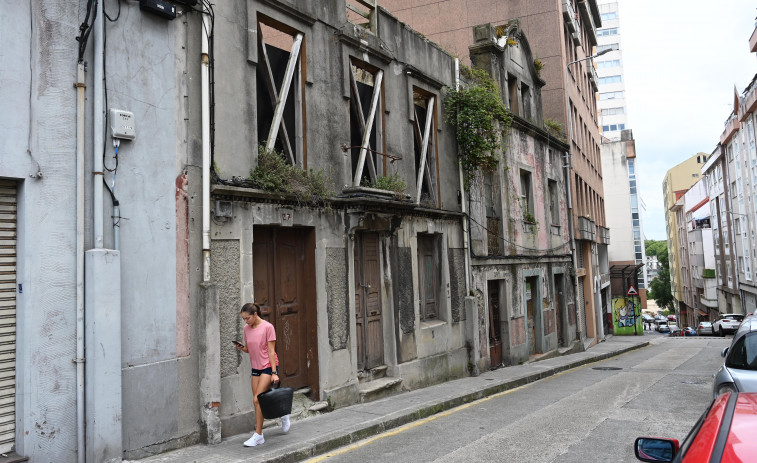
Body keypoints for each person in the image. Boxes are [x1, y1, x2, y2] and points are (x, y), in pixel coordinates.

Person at [235, 302, 290, 447]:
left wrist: (274, 372)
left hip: (267, 365)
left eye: (247, 318)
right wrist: (242, 348)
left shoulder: (268, 327)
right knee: (259, 401)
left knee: (257, 399)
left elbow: (271, 351)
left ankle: (258, 435)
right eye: (243, 319)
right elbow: (249, 349)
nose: (245, 321)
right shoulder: (247, 329)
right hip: (256, 367)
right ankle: (283, 413)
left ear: (255, 314)